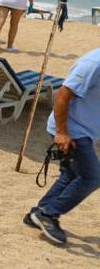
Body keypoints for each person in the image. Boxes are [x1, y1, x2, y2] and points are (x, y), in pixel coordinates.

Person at [24, 48, 100, 245]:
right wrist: (61, 133)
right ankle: (48, 214)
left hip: (84, 131)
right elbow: (62, 95)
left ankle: (40, 211)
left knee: (71, 174)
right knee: (92, 177)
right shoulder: (94, 63)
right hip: (72, 130)